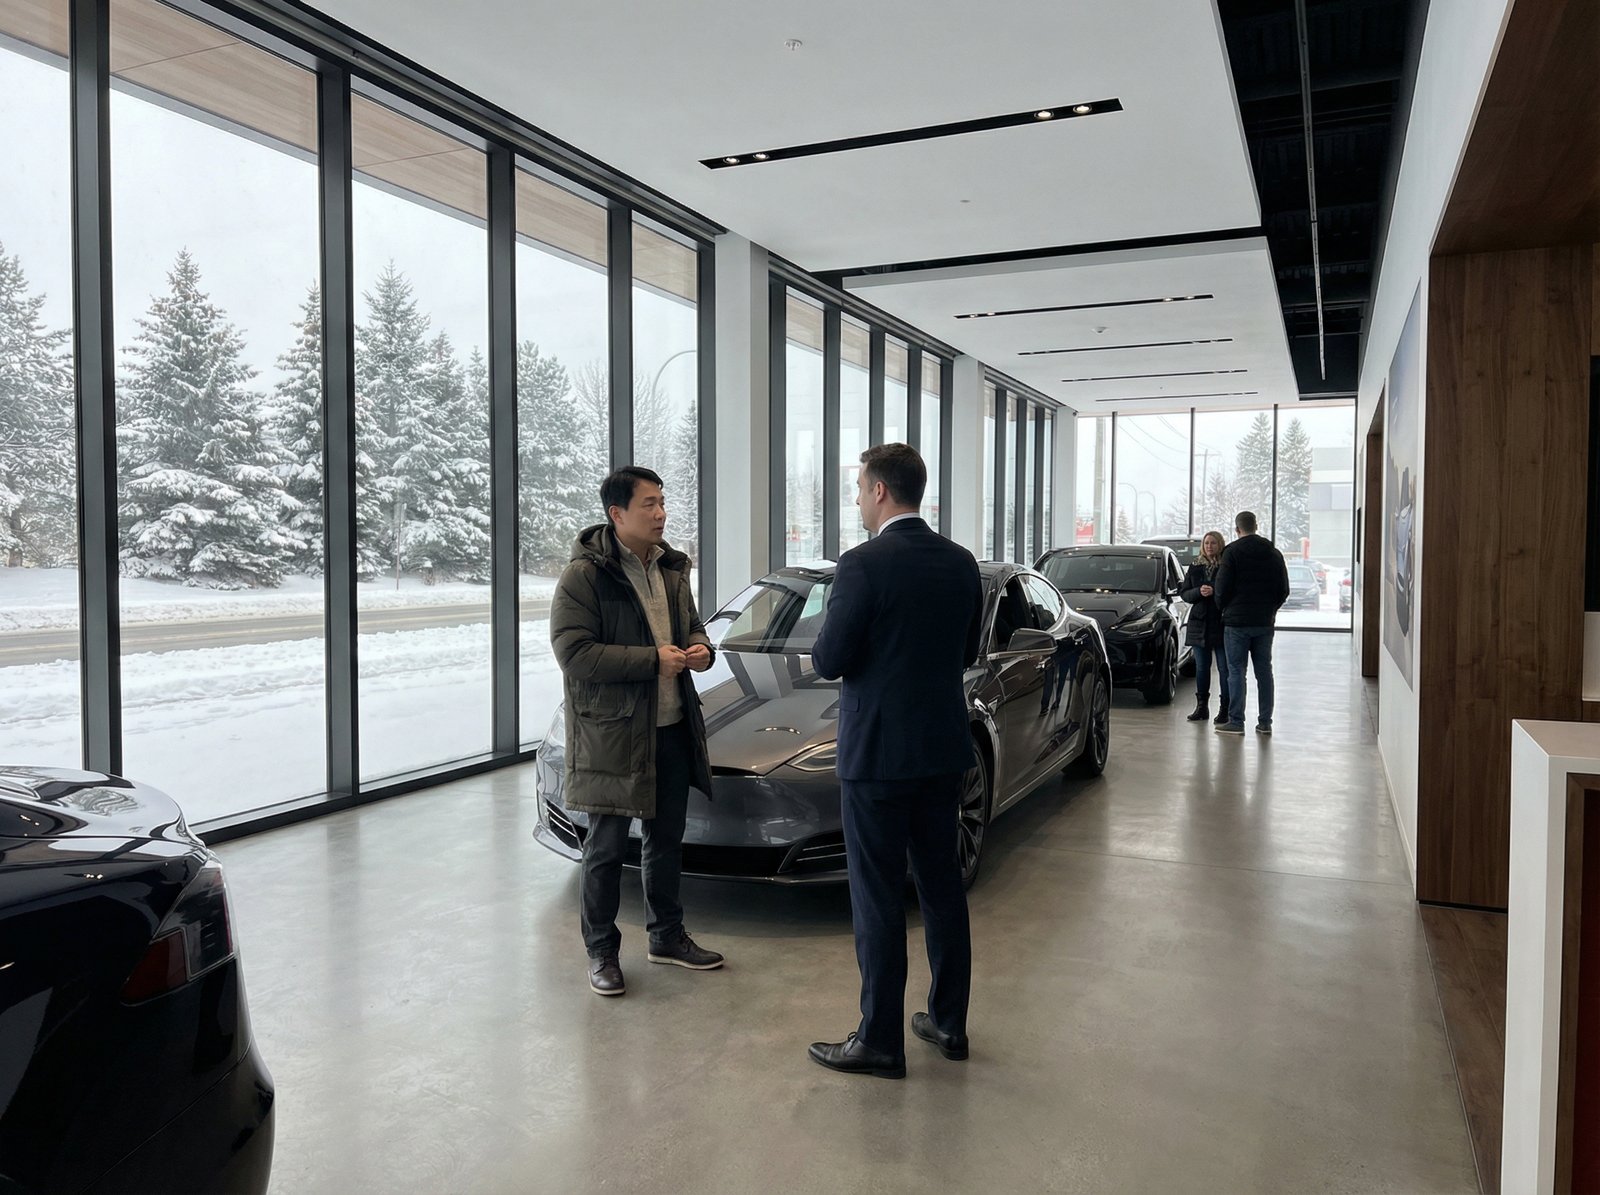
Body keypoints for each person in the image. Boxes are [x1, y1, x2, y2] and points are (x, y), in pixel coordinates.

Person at [807, 443, 985, 1079]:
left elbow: (829, 659)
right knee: (942, 890)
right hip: (942, 751)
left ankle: (880, 1040)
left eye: (858, 487)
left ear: (880, 491)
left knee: (877, 897)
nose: (856, 498)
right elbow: (967, 651)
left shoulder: (861, 564)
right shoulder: (962, 563)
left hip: (877, 756)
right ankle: (948, 1022)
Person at [548, 466, 723, 997]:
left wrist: (701, 650)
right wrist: (652, 660)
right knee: (603, 849)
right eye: (648, 504)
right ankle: (601, 951)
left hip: (670, 726)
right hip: (613, 735)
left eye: (662, 502)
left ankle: (666, 936)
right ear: (616, 513)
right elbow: (573, 654)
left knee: (665, 841)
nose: (661, 513)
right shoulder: (585, 575)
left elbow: (693, 625)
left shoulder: (671, 568)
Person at [1212, 510, 1290, 737]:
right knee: (1264, 671)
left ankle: (1236, 721)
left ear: (1237, 530)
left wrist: (1223, 607)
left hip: (1236, 623)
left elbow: (1222, 588)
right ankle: (1265, 722)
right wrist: (1270, 610)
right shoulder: (1273, 553)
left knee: (1236, 671)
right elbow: (1283, 589)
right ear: (1256, 526)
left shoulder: (1232, 553)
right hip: (1264, 622)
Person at [1179, 530, 1230, 725]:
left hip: (1221, 622)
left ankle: (1225, 708)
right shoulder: (1195, 566)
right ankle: (1201, 707)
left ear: (1220, 545)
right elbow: (1184, 593)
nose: (1209, 546)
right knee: (1202, 668)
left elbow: (1231, 592)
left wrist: (1215, 591)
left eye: (1213, 543)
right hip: (1199, 622)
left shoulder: (1226, 566)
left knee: (1224, 669)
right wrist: (1198, 592)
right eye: (1207, 543)